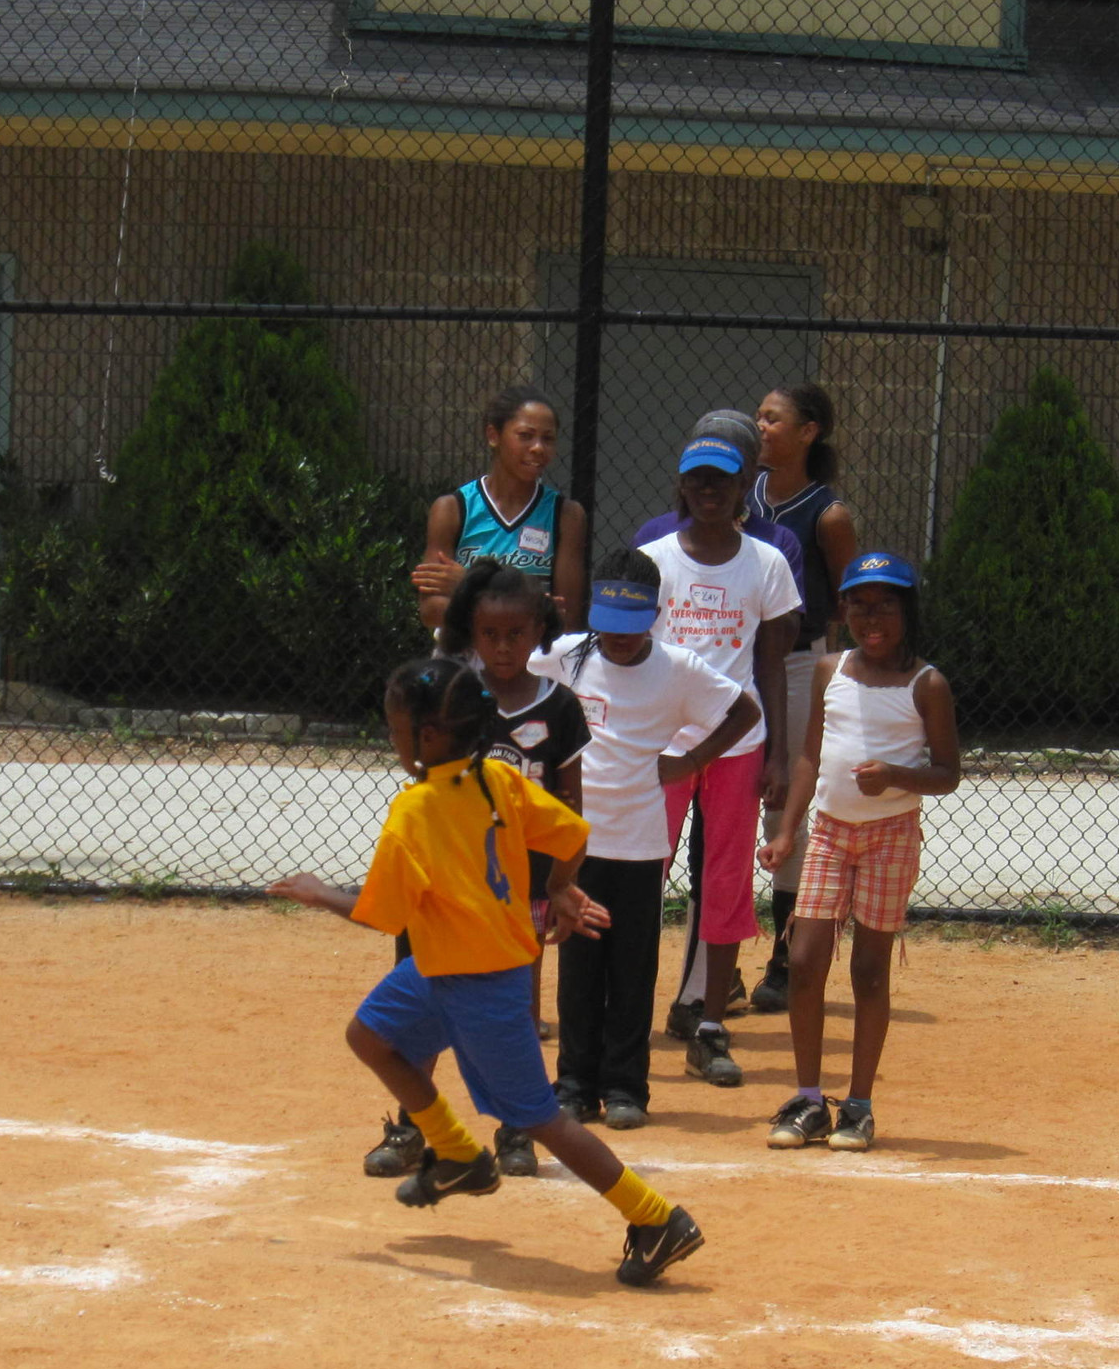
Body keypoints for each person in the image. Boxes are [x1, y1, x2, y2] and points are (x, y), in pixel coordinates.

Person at [271, 658, 705, 1288]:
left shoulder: (414, 810)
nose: (392, 741)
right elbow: (574, 832)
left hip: (480, 981)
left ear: (427, 738)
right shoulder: (497, 779)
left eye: (396, 731)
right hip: (445, 966)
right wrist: (559, 886)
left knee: (539, 1118)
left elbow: (381, 914)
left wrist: (318, 893)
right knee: (370, 1036)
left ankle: (657, 1217)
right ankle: (454, 1154)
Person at [537, 552, 756, 1129]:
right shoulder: (569, 655)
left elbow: (744, 711)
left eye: (634, 630)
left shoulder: (679, 668)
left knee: (631, 970)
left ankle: (626, 1088)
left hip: (638, 846)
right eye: (609, 624)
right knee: (578, 968)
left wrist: (691, 761)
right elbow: (506, 674)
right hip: (576, 847)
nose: (620, 640)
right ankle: (574, 1085)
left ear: (656, 617)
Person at [759, 554, 956, 1150]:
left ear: (907, 612)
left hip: (890, 834)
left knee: (870, 970)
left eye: (886, 605)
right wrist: (788, 833)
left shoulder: (927, 684)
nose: (872, 617)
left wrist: (897, 774)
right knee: (805, 959)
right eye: (859, 605)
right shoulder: (829, 671)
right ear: (842, 611)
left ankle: (860, 1105)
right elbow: (808, 758)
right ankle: (810, 1098)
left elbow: (946, 773)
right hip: (829, 830)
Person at [641, 419, 802, 1089]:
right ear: (682, 485)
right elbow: (633, 657)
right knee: (636, 871)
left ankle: (709, 1024)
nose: (710, 490)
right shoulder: (654, 558)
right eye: (699, 479)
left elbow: (772, 665)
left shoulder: (765, 563)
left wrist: (781, 755)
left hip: (739, 741)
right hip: (662, 740)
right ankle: (624, 1012)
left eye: (724, 480)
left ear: (743, 489)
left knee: (728, 880)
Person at [439, 557, 589, 1173]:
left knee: (521, 1003)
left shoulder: (559, 707)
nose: (503, 648)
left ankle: (517, 1128)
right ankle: (414, 1123)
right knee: (439, 999)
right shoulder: (456, 700)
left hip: (526, 880)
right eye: (489, 635)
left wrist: (563, 884)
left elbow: (571, 804)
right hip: (463, 881)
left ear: (539, 634)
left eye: (516, 635)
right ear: (472, 635)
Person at [748, 385, 862, 1014]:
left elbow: (848, 602)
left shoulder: (827, 513)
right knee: (728, 803)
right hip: (739, 656)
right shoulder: (746, 496)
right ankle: (718, 957)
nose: (761, 426)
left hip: (796, 660)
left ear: (809, 431)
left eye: (773, 418)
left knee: (784, 803)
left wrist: (831, 682)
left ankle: (786, 956)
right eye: (759, 416)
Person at [409, 386, 589, 632]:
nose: (538, 447)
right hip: (464, 662)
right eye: (525, 435)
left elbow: (566, 620)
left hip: (532, 662)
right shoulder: (452, 509)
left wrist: (470, 585)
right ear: (494, 435)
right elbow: (431, 611)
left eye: (548, 438)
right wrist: (530, 607)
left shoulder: (567, 515)